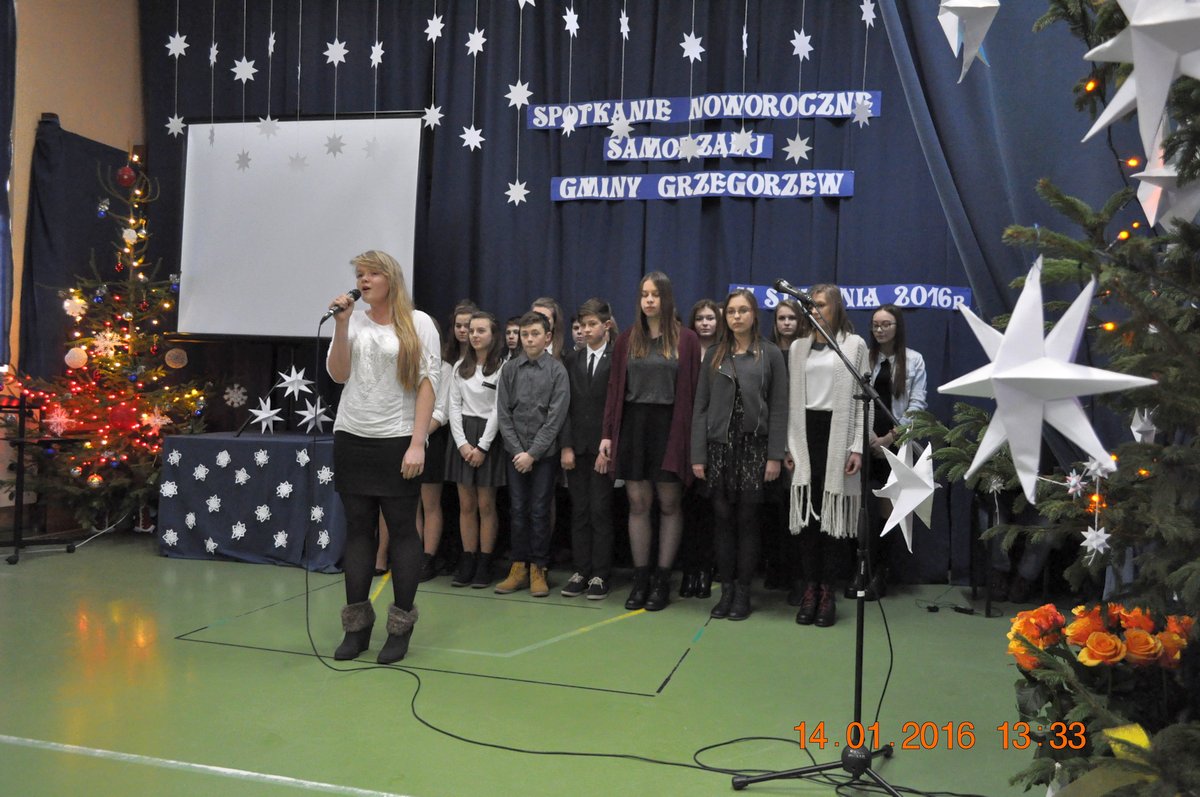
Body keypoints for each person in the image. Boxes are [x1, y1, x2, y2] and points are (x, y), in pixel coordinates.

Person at [326, 250, 440, 664]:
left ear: (391, 278)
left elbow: (429, 383)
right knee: (359, 531)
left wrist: (417, 442)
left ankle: (400, 628)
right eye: (360, 274)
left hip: (397, 439)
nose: (364, 280)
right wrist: (341, 325)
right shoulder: (352, 320)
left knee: (403, 532)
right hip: (352, 436)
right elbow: (339, 374)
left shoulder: (419, 322)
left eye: (372, 273)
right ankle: (356, 628)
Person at [600, 272, 700, 611]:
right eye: (644, 294)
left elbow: (693, 392)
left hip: (671, 426)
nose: (649, 300)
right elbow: (615, 390)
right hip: (634, 426)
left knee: (669, 503)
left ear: (666, 298)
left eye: (655, 294)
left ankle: (662, 579)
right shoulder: (627, 339)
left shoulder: (686, 340)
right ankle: (640, 578)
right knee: (638, 503)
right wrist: (607, 434)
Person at [692, 289, 788, 620]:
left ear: (754, 314)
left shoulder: (770, 354)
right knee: (722, 520)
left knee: (748, 520)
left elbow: (779, 407)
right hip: (719, 447)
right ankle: (727, 590)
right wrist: (698, 454)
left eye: (743, 310)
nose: (736, 316)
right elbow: (700, 407)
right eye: (731, 311)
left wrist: (775, 455)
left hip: (754, 448)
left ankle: (744, 591)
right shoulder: (715, 353)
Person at [785, 283, 867, 628]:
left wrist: (858, 446)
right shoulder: (798, 347)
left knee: (832, 520)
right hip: (806, 435)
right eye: (811, 305)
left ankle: (827, 594)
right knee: (808, 520)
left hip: (838, 435)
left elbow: (862, 401)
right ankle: (810, 589)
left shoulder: (854, 345)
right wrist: (788, 446)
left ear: (836, 308)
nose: (815, 310)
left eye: (821, 304)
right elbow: (791, 400)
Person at [494, 311, 570, 597]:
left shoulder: (557, 371)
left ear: (547, 337)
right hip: (515, 454)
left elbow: (555, 418)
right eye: (524, 334)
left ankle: (540, 567)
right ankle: (518, 566)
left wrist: (533, 454)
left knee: (539, 510)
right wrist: (518, 451)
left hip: (543, 455)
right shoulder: (510, 369)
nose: (529, 339)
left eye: (535, 334)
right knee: (517, 510)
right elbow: (503, 414)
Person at [864, 303, 927, 598]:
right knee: (862, 509)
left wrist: (889, 439)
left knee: (887, 511)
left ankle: (881, 572)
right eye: (876, 325)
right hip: (865, 442)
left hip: (895, 444)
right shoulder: (865, 358)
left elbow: (917, 406)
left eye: (886, 324)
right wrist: (869, 438)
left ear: (897, 327)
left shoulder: (914, 360)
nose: (880, 330)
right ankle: (861, 569)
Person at [559, 299, 616, 600]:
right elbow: (565, 406)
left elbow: (615, 406)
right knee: (579, 510)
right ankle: (581, 570)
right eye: (582, 325)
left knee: (600, 510)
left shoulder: (616, 358)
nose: (586, 330)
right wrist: (566, 445)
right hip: (577, 447)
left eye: (592, 324)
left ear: (606, 325)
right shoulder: (572, 359)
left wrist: (608, 445)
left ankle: (600, 574)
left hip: (602, 449)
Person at [447, 311, 507, 588]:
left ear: (493, 335)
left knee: (486, 504)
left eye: (481, 331)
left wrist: (482, 446)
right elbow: (454, 406)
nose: (474, 335)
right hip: (463, 437)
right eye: (471, 331)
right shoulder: (460, 367)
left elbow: (498, 409)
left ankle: (485, 561)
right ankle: (468, 558)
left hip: (488, 439)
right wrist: (462, 444)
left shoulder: (502, 367)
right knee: (466, 504)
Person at [678, 298, 721, 599]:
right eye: (700, 318)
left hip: (715, 438)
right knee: (686, 508)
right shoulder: (683, 350)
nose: (705, 323)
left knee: (711, 510)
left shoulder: (725, 352)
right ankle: (689, 570)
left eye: (710, 318)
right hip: (684, 437)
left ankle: (706, 569)